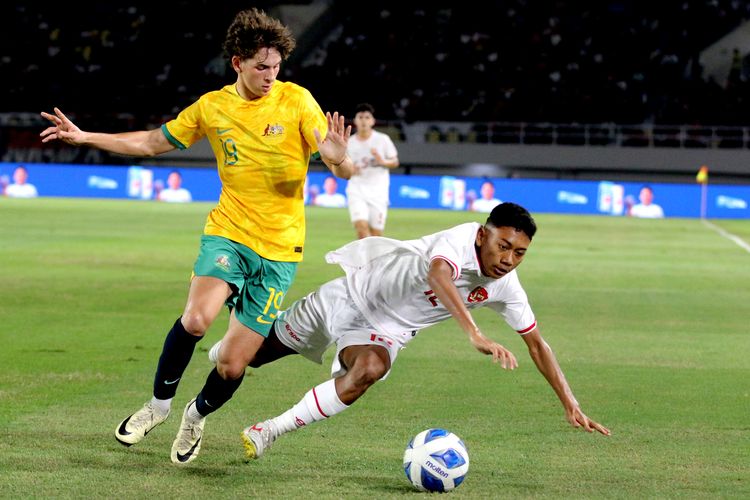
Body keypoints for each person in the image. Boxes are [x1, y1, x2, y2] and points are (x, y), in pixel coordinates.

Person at [40, 7, 355, 465]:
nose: (270, 76)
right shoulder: (212, 107)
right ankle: (158, 407)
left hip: (281, 249)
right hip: (228, 232)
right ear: (237, 63)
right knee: (195, 320)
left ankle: (195, 414)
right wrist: (86, 136)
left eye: (276, 67)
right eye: (261, 66)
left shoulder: (297, 100)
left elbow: (340, 167)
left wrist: (339, 158)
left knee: (231, 364)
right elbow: (151, 142)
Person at [207, 202, 610, 461]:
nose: (508, 259)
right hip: (348, 297)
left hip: (385, 331)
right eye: (503, 246)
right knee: (245, 358)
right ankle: (230, 331)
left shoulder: (507, 287)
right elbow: (439, 276)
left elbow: (537, 344)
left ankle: (269, 430)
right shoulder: (459, 238)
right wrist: (474, 332)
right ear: (483, 234)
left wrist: (570, 403)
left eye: (519, 253)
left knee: (368, 371)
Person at [345, 103, 399, 238]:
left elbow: (395, 162)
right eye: (361, 117)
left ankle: (373, 258)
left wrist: (382, 162)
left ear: (373, 121)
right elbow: (342, 166)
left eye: (367, 117)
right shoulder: (349, 143)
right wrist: (350, 168)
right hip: (356, 190)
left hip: (378, 192)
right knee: (361, 229)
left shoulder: (382, 140)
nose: (364, 120)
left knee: (376, 235)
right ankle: (364, 260)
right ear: (355, 120)